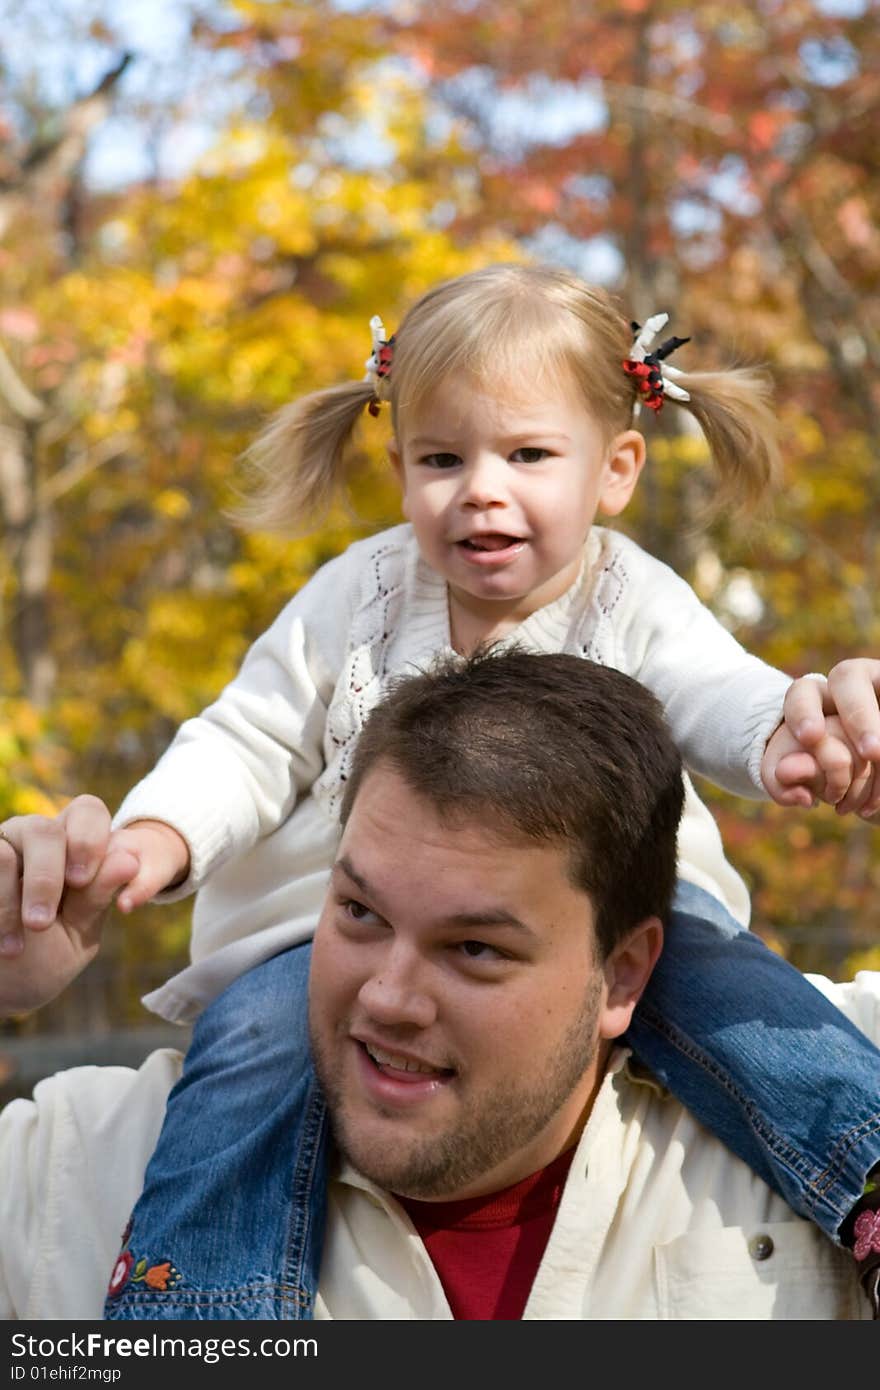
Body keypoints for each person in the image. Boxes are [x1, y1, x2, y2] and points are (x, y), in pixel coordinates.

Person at [2, 264, 880, 1320]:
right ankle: (199, 1302)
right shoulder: (356, 596)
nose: (481, 488)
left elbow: (719, 690)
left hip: (642, 909)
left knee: (747, 1003)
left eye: (527, 455)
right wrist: (154, 838)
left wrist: (791, 740)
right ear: (396, 464)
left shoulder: (631, 597)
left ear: (616, 469)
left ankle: (862, 1178)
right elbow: (246, 738)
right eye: (441, 457)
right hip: (315, 934)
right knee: (249, 1051)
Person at [0, 651, 878, 1320]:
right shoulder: (97, 1165)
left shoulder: (825, 1083)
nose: (388, 997)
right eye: (360, 914)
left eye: (475, 950)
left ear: (624, 974)